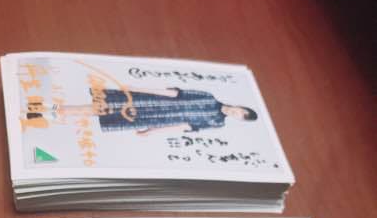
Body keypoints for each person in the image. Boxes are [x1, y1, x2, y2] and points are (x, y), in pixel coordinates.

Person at [23, 84, 258, 136]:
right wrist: (136, 88)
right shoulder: (208, 97)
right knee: (93, 109)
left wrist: (152, 131)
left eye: (239, 118)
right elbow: (172, 93)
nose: (235, 114)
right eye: (239, 111)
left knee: (93, 113)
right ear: (239, 106)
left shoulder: (217, 122)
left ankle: (39, 111)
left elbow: (184, 126)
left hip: (149, 118)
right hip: (145, 101)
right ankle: (38, 110)